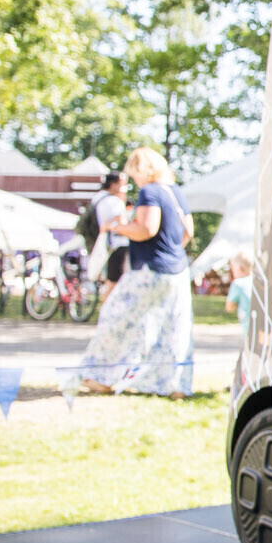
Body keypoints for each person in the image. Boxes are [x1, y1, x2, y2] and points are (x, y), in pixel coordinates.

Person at [62, 147, 195, 399]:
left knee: (115, 315)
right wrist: (171, 251)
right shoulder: (175, 192)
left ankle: (99, 376)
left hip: (149, 269)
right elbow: (188, 231)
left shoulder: (150, 192)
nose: (133, 179)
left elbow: (146, 229)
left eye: (134, 173)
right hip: (177, 270)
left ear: (142, 170)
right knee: (172, 327)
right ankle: (174, 384)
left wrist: (117, 227)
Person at [87, 171, 132, 301]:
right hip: (117, 244)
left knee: (111, 281)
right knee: (115, 282)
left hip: (104, 243)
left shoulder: (97, 198)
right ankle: (107, 310)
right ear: (113, 184)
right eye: (122, 184)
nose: (124, 187)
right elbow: (121, 222)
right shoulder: (114, 201)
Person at [224, 254, 254, 327]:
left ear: (240, 269)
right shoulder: (257, 281)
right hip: (261, 325)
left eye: (233, 270)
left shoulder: (238, 283)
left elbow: (229, 307)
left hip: (248, 325)